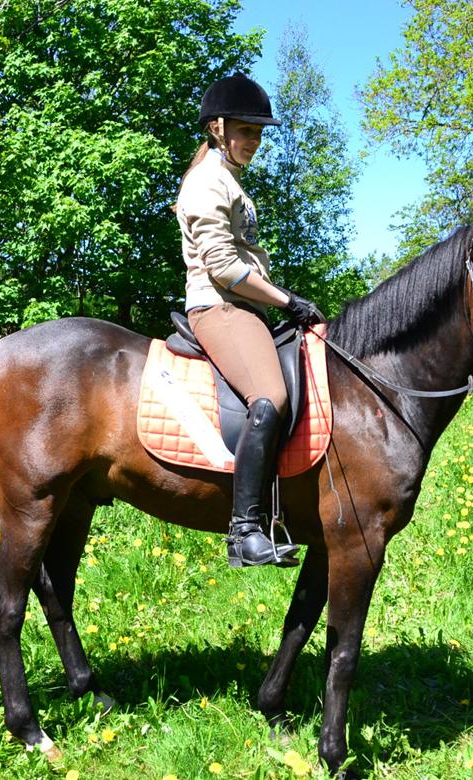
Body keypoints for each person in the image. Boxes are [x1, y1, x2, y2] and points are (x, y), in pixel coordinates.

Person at [175, 72, 324, 568]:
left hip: (243, 308)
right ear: (217, 128)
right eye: (247, 132)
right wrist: (287, 300)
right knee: (271, 396)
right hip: (219, 307)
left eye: (259, 134)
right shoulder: (206, 182)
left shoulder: (229, 180)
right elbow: (223, 266)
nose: (255, 143)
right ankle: (243, 531)